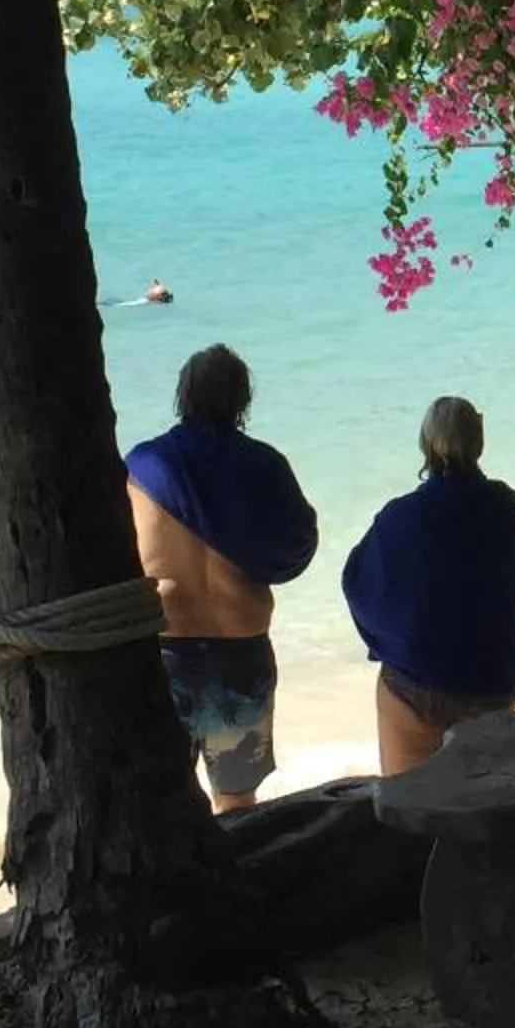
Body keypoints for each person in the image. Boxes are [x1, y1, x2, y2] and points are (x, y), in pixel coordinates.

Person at [124, 345, 318, 813]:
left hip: (163, 648)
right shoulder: (263, 466)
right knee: (237, 802)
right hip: (240, 648)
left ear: (182, 396)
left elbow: (115, 554)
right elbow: (297, 547)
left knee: (161, 798)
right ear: (242, 400)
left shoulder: (143, 465)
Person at [343, 396, 515, 776]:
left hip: (418, 683)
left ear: (426, 445)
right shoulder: (509, 507)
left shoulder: (401, 517)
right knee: (482, 795)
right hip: (493, 675)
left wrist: (392, 644)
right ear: (478, 443)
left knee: (409, 803)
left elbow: (358, 585)